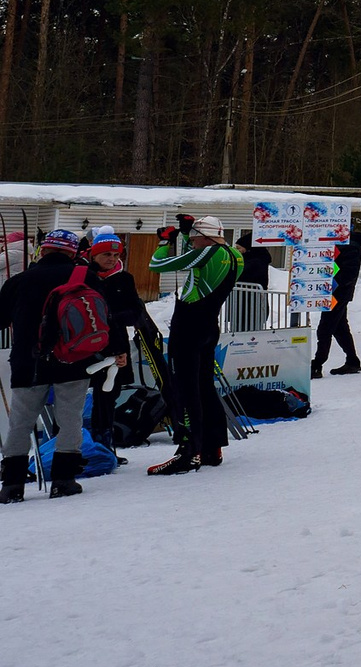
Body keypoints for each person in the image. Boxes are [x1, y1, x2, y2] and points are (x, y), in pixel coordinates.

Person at [148, 213, 241, 474]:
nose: (192, 242)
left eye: (193, 238)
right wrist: (188, 233)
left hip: (188, 326)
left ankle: (189, 451)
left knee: (185, 388)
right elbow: (197, 261)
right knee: (204, 386)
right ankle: (212, 446)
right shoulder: (234, 255)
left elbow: (157, 265)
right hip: (209, 324)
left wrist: (164, 243)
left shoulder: (207, 252)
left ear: (203, 238)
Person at [2, 229, 91, 501]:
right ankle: (64, 480)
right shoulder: (85, 277)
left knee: (20, 421)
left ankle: (12, 485)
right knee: (70, 418)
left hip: (28, 361)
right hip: (73, 359)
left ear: (43, 251)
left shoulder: (20, 281)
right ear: (73, 252)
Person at [78, 228, 141, 465]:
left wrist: (110, 317)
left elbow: (135, 311)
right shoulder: (83, 275)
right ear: (94, 255)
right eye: (106, 255)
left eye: (116, 255)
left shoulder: (124, 278)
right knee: (78, 396)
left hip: (116, 345)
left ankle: (105, 447)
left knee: (108, 397)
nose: (112, 259)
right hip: (85, 346)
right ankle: (76, 447)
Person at [311, 225, 361, 378]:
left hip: (336, 293)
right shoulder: (340, 244)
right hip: (334, 291)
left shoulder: (350, 246)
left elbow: (347, 273)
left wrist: (330, 284)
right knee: (339, 327)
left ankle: (317, 364)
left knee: (325, 328)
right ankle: (352, 361)